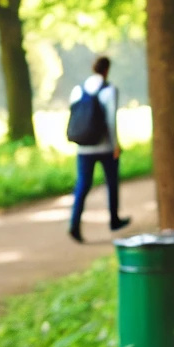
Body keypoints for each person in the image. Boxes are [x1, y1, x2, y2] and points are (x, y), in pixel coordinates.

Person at [67, 55, 131, 243]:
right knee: (111, 183)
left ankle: (74, 223)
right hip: (104, 147)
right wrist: (115, 144)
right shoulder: (110, 90)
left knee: (82, 185)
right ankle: (114, 219)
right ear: (107, 70)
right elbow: (111, 120)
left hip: (83, 147)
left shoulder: (78, 90)